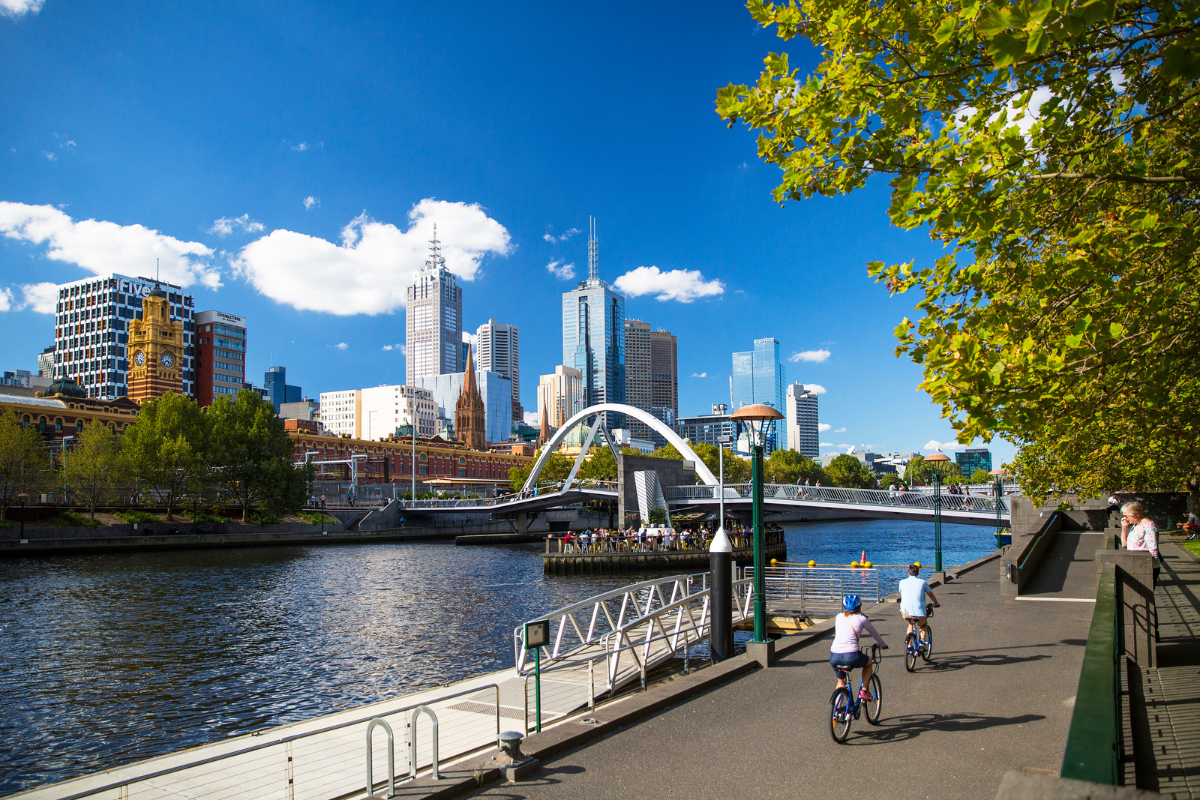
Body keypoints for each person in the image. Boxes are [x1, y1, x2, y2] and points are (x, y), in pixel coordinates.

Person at [830, 595, 887, 698]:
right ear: (859, 606)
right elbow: (875, 634)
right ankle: (864, 691)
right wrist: (882, 644)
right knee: (868, 663)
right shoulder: (862, 618)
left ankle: (835, 711)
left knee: (841, 683)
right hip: (851, 655)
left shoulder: (838, 617)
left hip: (834, 656)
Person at [1121, 501, 1160, 585]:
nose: (1125, 519)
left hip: (1145, 567)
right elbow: (1124, 544)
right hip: (1137, 564)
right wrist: (1124, 528)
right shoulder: (1136, 525)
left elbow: (1153, 549)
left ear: (1136, 514)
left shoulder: (1148, 526)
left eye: (1126, 516)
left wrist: (1147, 568)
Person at [898, 564, 940, 641]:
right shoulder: (922, 582)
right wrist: (936, 603)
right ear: (918, 573)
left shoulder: (901, 582)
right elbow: (930, 593)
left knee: (910, 623)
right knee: (923, 625)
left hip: (905, 611)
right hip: (919, 612)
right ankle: (922, 642)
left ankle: (909, 645)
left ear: (908, 573)